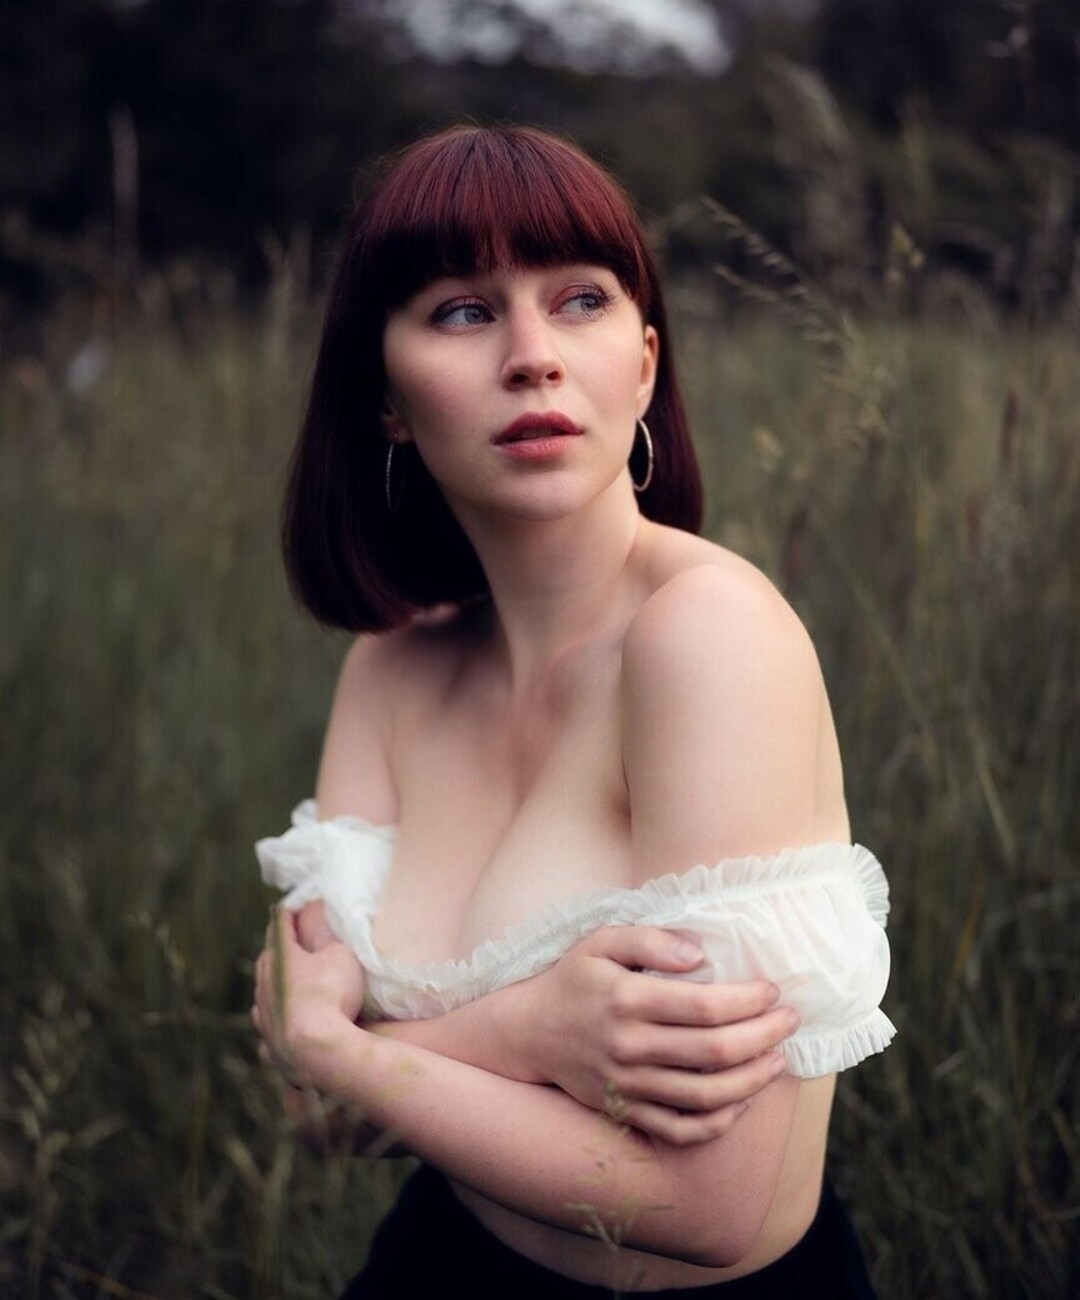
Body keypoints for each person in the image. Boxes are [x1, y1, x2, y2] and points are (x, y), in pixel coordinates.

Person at [251, 124, 894, 1298]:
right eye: (463, 310)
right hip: (433, 1261)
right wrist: (516, 1032)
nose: (533, 356)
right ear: (385, 398)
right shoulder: (392, 667)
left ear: (644, 365)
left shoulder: (707, 638)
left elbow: (709, 1203)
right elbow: (315, 1113)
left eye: (581, 299)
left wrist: (346, 1046)